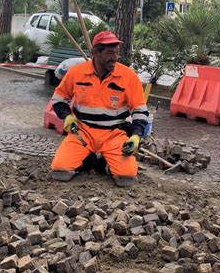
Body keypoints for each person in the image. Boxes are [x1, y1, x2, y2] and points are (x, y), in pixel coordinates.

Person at [50, 30, 149, 187]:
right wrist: (66, 117)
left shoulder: (128, 76)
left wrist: (136, 135)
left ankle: (102, 163)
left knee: (126, 178)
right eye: (110, 53)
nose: (115, 58)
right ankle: (86, 159)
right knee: (60, 171)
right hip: (82, 133)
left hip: (114, 135)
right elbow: (58, 99)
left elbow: (140, 110)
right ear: (95, 52)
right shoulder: (76, 73)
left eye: (116, 53)